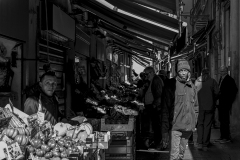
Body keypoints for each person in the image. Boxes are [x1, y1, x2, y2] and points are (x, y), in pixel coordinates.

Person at [161, 59, 199, 160]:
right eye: (180, 71)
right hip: (175, 127)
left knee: (181, 154)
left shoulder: (192, 87)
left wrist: (194, 122)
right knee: (174, 155)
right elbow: (165, 108)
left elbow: (196, 107)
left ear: (188, 72)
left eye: (185, 70)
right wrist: (164, 130)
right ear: (177, 72)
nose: (183, 73)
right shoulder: (170, 85)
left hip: (187, 128)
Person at [195, 68, 219, 151]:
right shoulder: (212, 81)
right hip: (209, 106)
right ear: (208, 73)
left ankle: (199, 143)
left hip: (199, 107)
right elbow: (217, 92)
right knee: (207, 125)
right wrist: (213, 99)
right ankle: (205, 144)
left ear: (201, 74)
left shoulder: (197, 81)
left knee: (200, 124)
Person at [140, 66, 164, 150]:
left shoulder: (156, 80)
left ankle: (158, 144)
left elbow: (159, 96)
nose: (146, 76)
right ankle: (154, 142)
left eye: (147, 74)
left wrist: (154, 106)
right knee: (154, 126)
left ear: (151, 73)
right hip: (151, 107)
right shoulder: (151, 80)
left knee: (156, 127)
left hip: (155, 108)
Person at [214, 66, 238, 143]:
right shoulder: (221, 79)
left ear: (226, 71)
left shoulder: (229, 79)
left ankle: (226, 137)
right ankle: (222, 136)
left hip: (225, 103)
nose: (221, 73)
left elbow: (234, 90)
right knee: (221, 120)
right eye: (220, 71)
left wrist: (229, 101)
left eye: (223, 71)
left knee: (225, 120)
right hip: (221, 103)